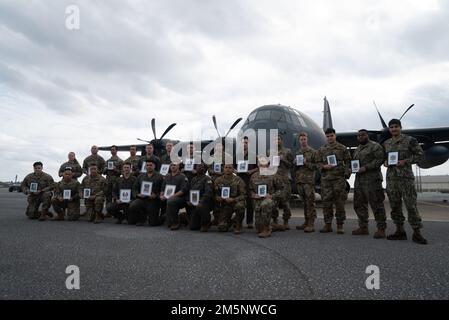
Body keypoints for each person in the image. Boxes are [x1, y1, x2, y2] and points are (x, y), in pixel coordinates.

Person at [383, 119, 427, 244]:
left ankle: (417, 233)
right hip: (391, 179)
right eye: (391, 127)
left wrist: (405, 161)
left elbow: (420, 154)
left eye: (396, 126)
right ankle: (400, 231)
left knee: (411, 206)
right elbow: (385, 158)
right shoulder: (386, 143)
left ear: (400, 127)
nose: (393, 129)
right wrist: (385, 162)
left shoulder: (410, 140)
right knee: (395, 206)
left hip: (405, 178)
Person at [352, 129, 387, 238]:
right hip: (359, 181)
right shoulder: (357, 149)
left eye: (363, 135)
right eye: (358, 136)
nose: (360, 137)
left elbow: (380, 159)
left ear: (367, 135)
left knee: (376, 204)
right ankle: (363, 227)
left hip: (372, 180)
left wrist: (366, 167)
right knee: (359, 204)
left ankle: (381, 229)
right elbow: (355, 164)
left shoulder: (375, 146)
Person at [317, 128, 351, 234]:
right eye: (327, 136)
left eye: (331, 135)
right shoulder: (322, 149)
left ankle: (340, 225)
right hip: (326, 180)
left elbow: (348, 162)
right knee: (326, 203)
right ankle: (328, 225)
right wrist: (323, 166)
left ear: (335, 136)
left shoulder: (342, 148)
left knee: (339, 203)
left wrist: (346, 174)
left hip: (338, 180)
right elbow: (317, 163)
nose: (329, 138)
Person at [250, 156, 285, 238]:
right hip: (258, 200)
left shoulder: (273, 175)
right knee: (258, 228)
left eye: (264, 162)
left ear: (267, 164)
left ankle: (267, 229)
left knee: (265, 204)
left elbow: (282, 189)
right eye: (260, 162)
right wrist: (254, 195)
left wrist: (272, 196)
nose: (261, 164)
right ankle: (274, 226)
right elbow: (250, 190)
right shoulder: (254, 176)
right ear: (258, 164)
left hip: (270, 200)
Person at [294, 132, 318, 233]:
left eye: (304, 139)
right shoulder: (298, 152)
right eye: (301, 139)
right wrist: (295, 163)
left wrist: (306, 162)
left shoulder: (312, 152)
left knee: (310, 202)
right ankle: (306, 221)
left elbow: (316, 166)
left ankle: (311, 224)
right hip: (300, 181)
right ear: (299, 141)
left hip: (308, 181)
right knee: (304, 202)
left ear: (307, 139)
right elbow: (296, 168)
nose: (303, 141)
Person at [129, 160, 164, 226]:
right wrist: (137, 194)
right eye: (147, 165)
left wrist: (156, 195)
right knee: (133, 205)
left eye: (151, 165)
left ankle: (163, 217)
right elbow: (134, 188)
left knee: (153, 223)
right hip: (142, 199)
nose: (149, 167)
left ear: (154, 166)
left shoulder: (160, 176)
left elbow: (163, 190)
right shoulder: (140, 176)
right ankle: (142, 218)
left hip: (154, 201)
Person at [270, 134, 294, 230]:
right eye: (275, 139)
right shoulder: (270, 152)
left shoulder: (287, 151)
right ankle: (275, 220)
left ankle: (286, 221)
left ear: (281, 140)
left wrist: (283, 160)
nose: (277, 141)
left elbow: (292, 165)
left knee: (285, 202)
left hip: (284, 179)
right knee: (274, 201)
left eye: (278, 139)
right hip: (274, 179)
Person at [214, 164, 246, 234]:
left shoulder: (238, 180)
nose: (227, 169)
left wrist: (234, 199)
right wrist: (218, 198)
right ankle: (231, 221)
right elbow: (215, 194)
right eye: (226, 167)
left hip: (235, 202)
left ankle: (238, 224)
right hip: (225, 204)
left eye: (230, 168)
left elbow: (243, 195)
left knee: (240, 206)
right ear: (223, 169)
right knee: (222, 228)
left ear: (233, 169)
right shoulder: (218, 180)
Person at [236, 136, 258, 229]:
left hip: (249, 181)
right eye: (243, 143)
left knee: (249, 202)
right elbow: (231, 167)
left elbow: (258, 167)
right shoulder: (237, 155)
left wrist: (251, 171)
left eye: (246, 143)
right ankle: (238, 221)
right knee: (239, 201)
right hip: (239, 181)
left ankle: (249, 222)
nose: (244, 144)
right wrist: (235, 171)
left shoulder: (253, 155)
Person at [160, 163, 189, 230]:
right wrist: (161, 195)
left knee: (171, 201)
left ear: (178, 166)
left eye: (174, 165)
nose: (173, 166)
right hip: (169, 198)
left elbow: (183, 191)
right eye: (171, 165)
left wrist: (172, 196)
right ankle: (181, 217)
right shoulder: (167, 176)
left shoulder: (182, 176)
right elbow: (163, 188)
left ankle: (175, 223)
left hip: (181, 199)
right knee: (168, 224)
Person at [186, 163, 214, 232]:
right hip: (194, 202)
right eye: (198, 166)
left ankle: (206, 223)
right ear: (195, 168)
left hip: (204, 203)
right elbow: (189, 191)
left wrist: (201, 201)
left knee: (201, 206)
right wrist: (189, 200)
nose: (199, 168)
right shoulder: (193, 179)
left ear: (204, 169)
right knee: (193, 227)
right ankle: (185, 217)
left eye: (202, 167)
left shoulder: (207, 179)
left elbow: (208, 193)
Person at [104, 145, 124, 210]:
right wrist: (106, 169)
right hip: (108, 179)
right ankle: (108, 211)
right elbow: (103, 172)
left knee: (115, 195)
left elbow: (122, 172)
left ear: (116, 151)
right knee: (108, 195)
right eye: (111, 150)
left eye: (114, 150)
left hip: (116, 179)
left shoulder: (120, 161)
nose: (112, 151)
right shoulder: (107, 161)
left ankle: (116, 210)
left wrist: (116, 170)